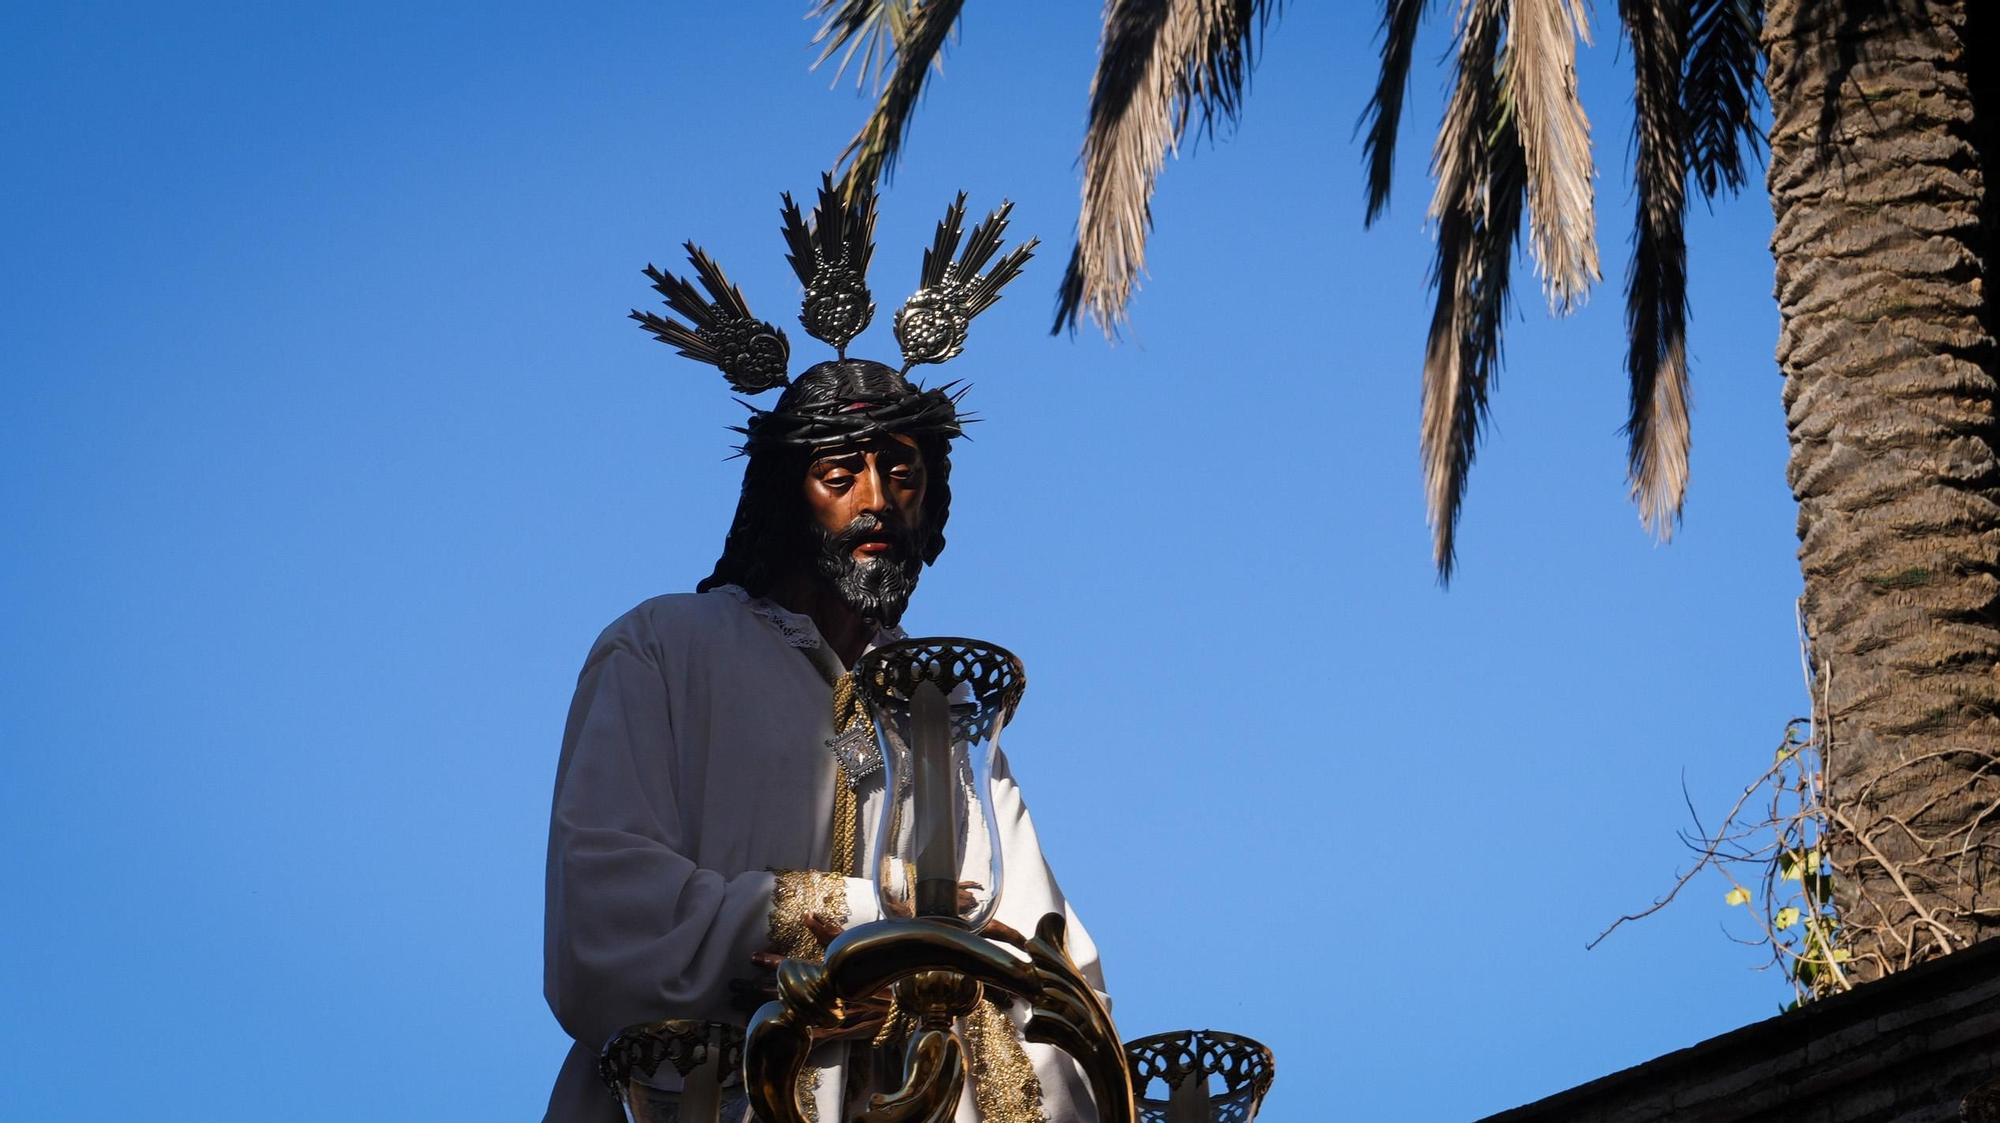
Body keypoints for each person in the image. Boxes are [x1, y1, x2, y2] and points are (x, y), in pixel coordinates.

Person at [543, 180, 1106, 1123]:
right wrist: (852, 916)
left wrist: (959, 985)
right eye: (841, 473)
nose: (876, 500)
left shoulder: (947, 710)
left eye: (903, 473)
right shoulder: (664, 648)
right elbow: (603, 915)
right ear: (785, 495)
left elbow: (1048, 965)